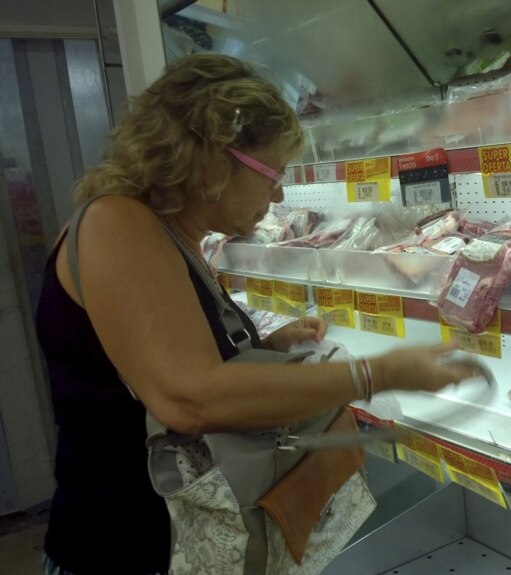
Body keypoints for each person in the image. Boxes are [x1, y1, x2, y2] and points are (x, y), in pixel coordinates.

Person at [35, 53, 480, 575]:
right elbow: (188, 399)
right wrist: (375, 373)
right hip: (128, 548)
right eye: (273, 174)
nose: (280, 193)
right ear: (211, 160)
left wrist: (264, 352)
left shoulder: (168, 237)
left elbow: (149, 372)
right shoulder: (119, 225)